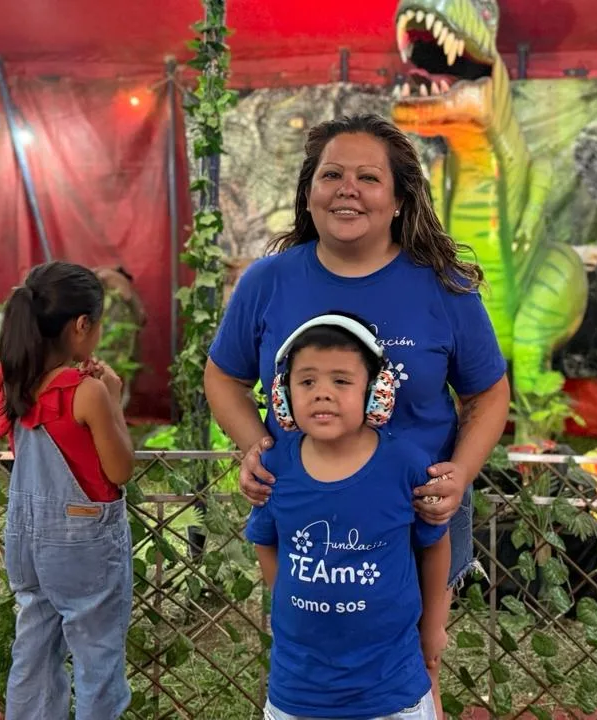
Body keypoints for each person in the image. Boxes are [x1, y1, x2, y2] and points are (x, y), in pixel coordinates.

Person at [205, 113, 511, 714]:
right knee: (314, 657)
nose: (347, 189)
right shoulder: (268, 282)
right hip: (308, 520)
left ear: (398, 200)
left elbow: (488, 393)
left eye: (369, 178)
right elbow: (223, 376)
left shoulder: (443, 286)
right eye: (331, 175)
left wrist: (460, 475)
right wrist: (256, 449)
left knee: (418, 663)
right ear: (308, 193)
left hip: (419, 515)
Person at [245, 312, 450, 720]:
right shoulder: (274, 467)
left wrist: (432, 627)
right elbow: (265, 540)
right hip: (297, 691)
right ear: (283, 395)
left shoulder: (406, 465)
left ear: (376, 392)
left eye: (341, 381)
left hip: (391, 690)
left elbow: (435, 545)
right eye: (307, 382)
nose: (322, 394)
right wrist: (291, 600)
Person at [0, 261, 135, 720]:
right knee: (97, 657)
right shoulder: (86, 393)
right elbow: (120, 470)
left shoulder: (15, 385)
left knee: (34, 653)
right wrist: (114, 400)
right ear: (82, 325)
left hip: (25, 538)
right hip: (82, 544)